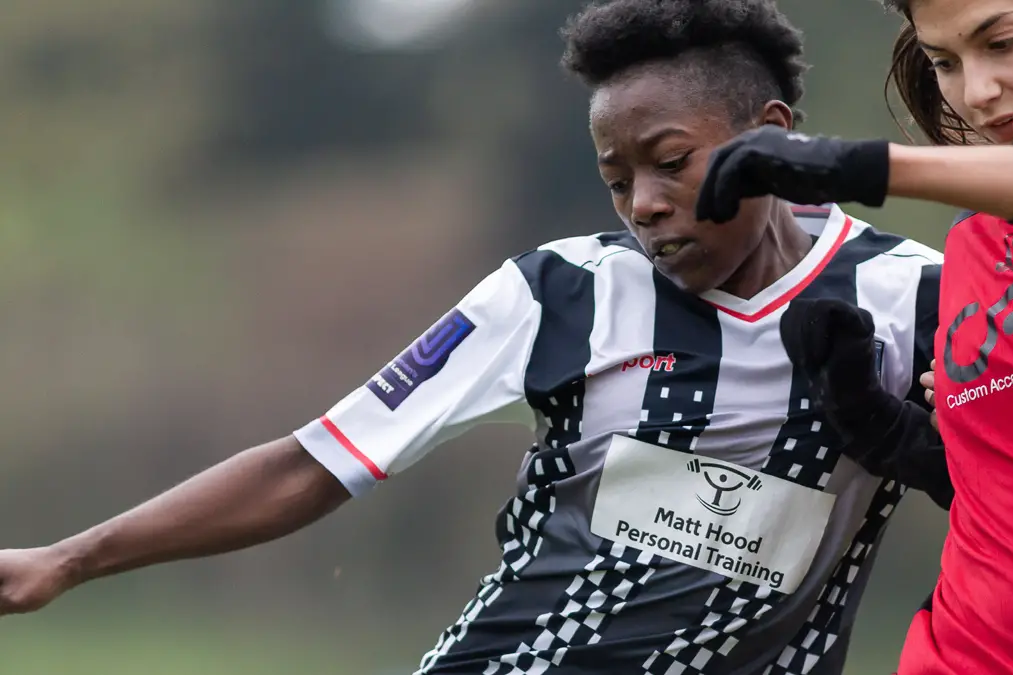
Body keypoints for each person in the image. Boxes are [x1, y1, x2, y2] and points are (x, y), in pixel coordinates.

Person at [0, 1, 946, 673]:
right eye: (617, 181)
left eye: (671, 162)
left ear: (772, 136)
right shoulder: (558, 294)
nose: (646, 207)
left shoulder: (915, 299)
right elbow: (315, 462)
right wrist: (68, 559)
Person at [694, 0, 1013, 672]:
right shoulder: (973, 241)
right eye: (945, 62)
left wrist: (868, 168)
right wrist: (875, 420)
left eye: (1002, 42)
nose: (976, 91)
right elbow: (1012, 482)